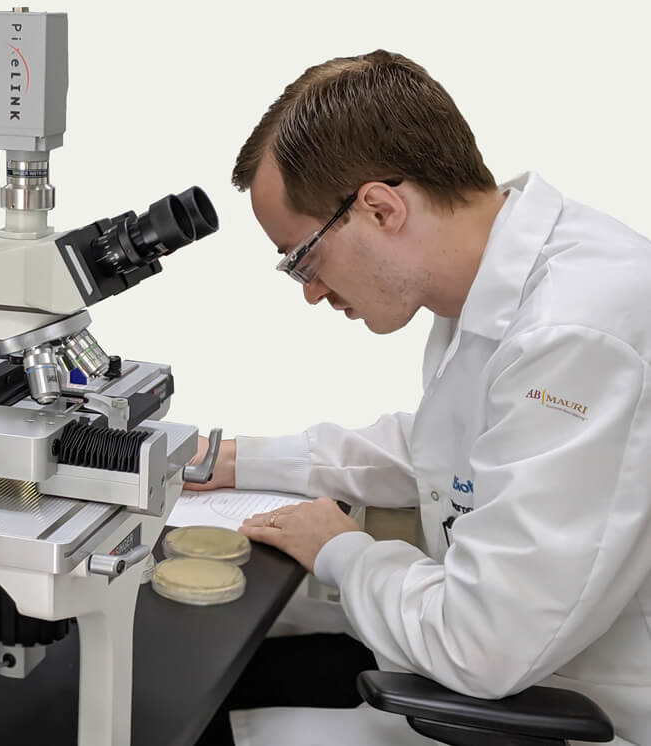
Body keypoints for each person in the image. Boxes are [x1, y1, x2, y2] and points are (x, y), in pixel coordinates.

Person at [193, 51, 651, 746]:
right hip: (525, 663)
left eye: (303, 259)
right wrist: (236, 458)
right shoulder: (509, 276)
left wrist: (345, 552)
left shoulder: (575, 336)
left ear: (380, 207)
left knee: (208, 718)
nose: (312, 291)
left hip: (568, 707)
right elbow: (448, 448)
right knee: (258, 651)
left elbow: (481, 645)